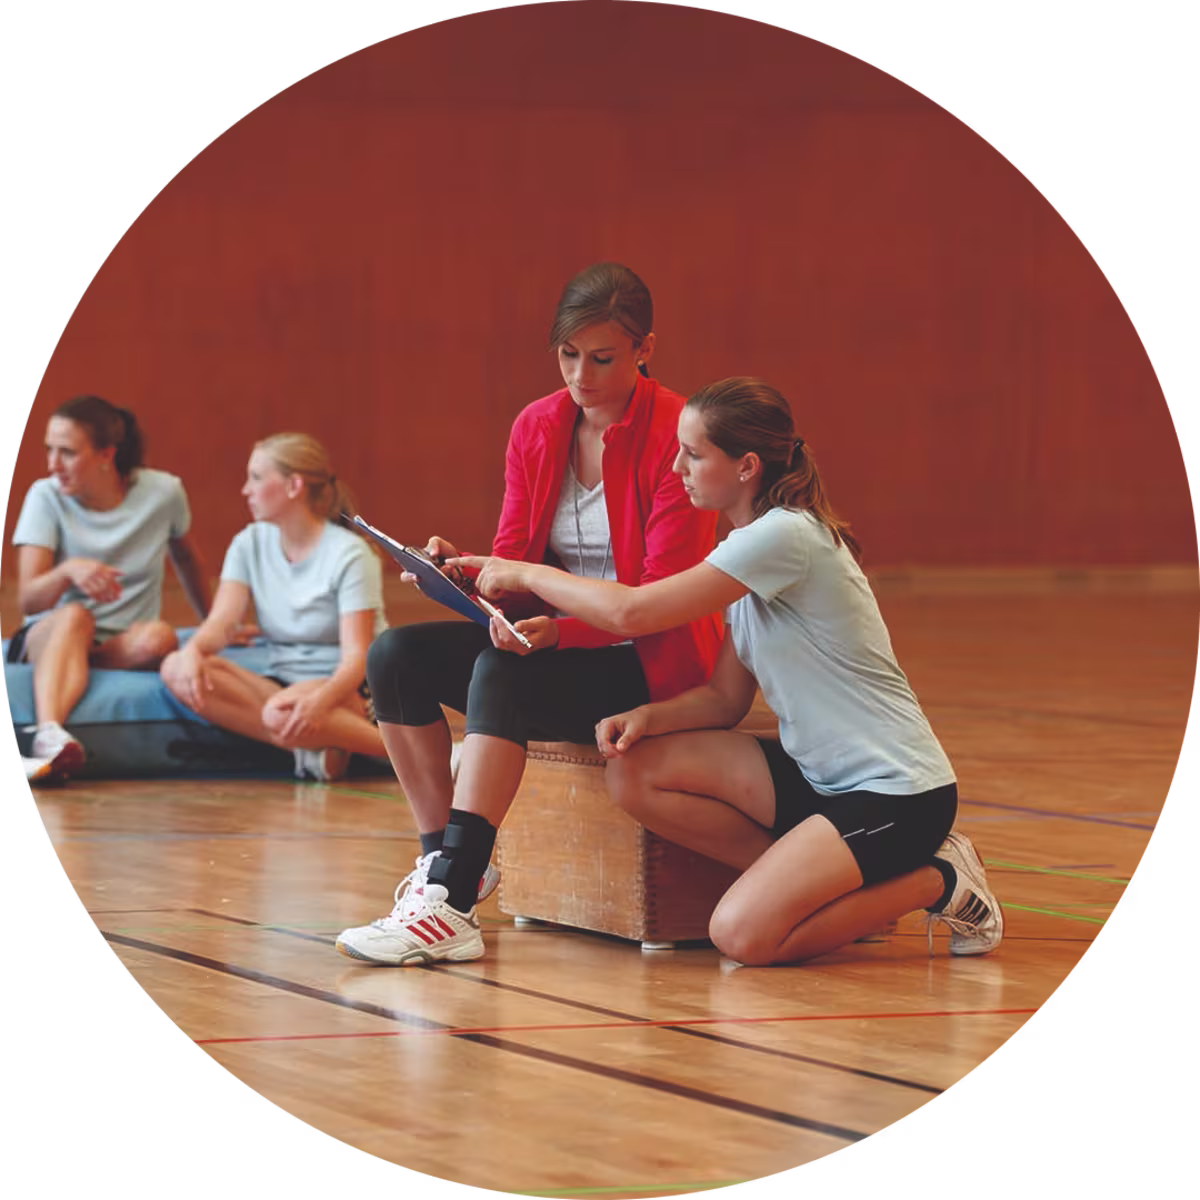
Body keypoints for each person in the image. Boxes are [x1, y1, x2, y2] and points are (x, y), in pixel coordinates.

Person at [422, 377, 1004, 966]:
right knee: (635, 773)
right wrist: (647, 716)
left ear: (747, 466)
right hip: (817, 780)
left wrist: (523, 573)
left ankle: (941, 877)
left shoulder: (784, 536)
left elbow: (633, 610)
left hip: (896, 794)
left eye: (694, 454)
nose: (677, 467)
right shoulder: (746, 547)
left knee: (741, 937)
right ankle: (814, 887)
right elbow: (726, 699)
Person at [335, 263, 724, 965]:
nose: (581, 374)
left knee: (502, 674)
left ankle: (451, 899)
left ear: (646, 349)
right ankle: (447, 866)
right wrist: (465, 573)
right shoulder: (538, 425)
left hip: (648, 659)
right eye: (568, 355)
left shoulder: (680, 432)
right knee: (394, 658)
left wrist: (558, 631)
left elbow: (658, 600)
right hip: (556, 645)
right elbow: (516, 563)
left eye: (602, 357)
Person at [159, 433, 387, 782]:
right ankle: (312, 750)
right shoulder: (248, 543)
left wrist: (320, 702)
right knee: (177, 667)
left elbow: (357, 658)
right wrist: (194, 651)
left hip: (352, 686)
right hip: (283, 685)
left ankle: (413, 754)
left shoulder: (350, 554)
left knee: (279, 713)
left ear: (294, 485)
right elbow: (221, 622)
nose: (245, 490)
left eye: (256, 477)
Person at [10, 395, 212, 784]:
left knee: (160, 637)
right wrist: (68, 571)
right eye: (48, 450)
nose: (53, 464)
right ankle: (48, 733)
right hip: (51, 633)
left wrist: (213, 622)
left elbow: (188, 560)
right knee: (75, 615)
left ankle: (80, 666)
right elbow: (30, 599)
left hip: (118, 645)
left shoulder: (164, 493)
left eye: (67, 452)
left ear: (106, 455)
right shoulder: (45, 496)